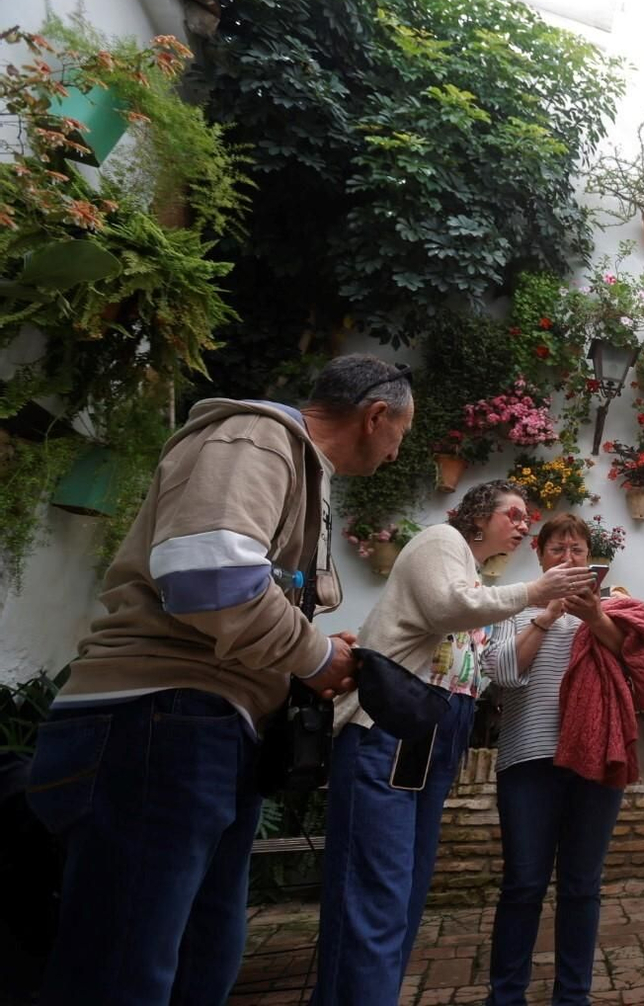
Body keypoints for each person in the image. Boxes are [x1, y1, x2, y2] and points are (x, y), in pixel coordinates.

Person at [24, 354, 409, 1006]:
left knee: (198, 968)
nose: (400, 453)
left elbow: (237, 588)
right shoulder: (255, 437)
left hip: (203, 726)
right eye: (403, 433)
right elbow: (209, 579)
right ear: (376, 416)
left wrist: (308, 647)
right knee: (126, 974)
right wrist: (316, 656)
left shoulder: (296, 465)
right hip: (159, 717)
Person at [312, 480, 593, 1006]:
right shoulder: (441, 542)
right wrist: (537, 596)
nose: (522, 524)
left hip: (434, 738)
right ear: (479, 515)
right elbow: (449, 608)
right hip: (390, 731)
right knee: (378, 894)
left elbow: (485, 667)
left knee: (407, 893)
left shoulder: (474, 572)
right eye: (513, 514)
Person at [482, 513, 644, 1005]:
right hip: (528, 761)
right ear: (539, 556)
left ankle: (573, 996)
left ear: (590, 560)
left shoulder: (616, 609)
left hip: (596, 760)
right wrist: (546, 614)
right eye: (557, 551)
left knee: (582, 885)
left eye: (577, 551)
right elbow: (502, 673)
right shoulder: (515, 607)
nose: (567, 559)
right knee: (523, 884)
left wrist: (594, 617)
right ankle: (506, 996)